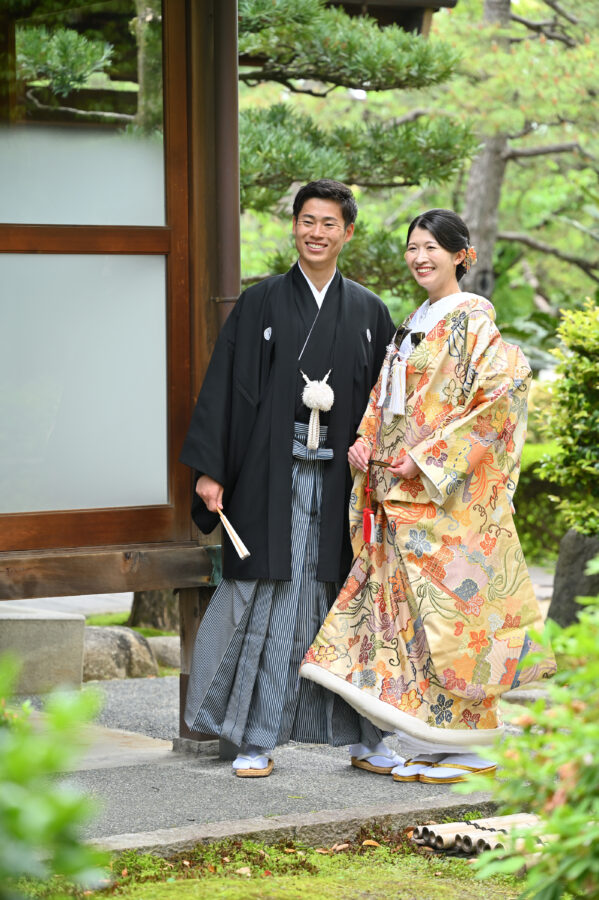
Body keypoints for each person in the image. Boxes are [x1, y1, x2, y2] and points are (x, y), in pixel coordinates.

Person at [300, 208, 556, 784]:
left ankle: (475, 743)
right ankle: (440, 737)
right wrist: (366, 442)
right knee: (415, 620)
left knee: (455, 618)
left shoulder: (472, 322)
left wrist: (430, 454)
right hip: (397, 491)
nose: (420, 258)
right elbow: (385, 399)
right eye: (413, 248)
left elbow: (505, 392)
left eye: (432, 249)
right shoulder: (415, 321)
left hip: (447, 501)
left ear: (461, 255)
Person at [179, 179, 399, 777]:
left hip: (342, 490)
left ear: (347, 232)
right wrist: (211, 470)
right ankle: (256, 736)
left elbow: (389, 405)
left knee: (343, 599)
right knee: (269, 599)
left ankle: (365, 736)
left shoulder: (370, 312)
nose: (316, 232)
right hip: (267, 481)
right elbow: (227, 388)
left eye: (329, 223)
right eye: (307, 220)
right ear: (294, 226)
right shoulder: (262, 302)